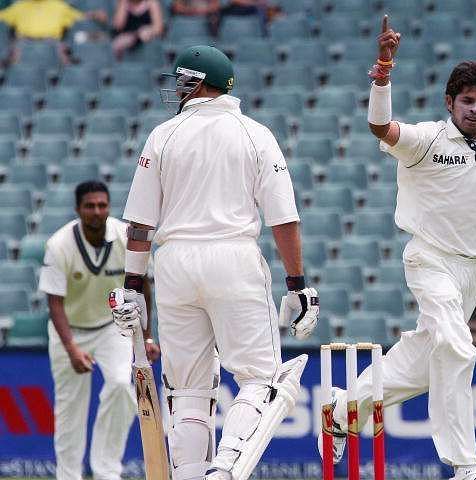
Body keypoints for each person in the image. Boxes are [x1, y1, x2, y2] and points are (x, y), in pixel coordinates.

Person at [318, 15, 476, 480]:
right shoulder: (427, 140)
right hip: (429, 259)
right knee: (457, 347)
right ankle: (466, 468)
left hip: (472, 271)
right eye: (467, 101)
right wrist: (383, 71)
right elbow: (379, 127)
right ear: (449, 101)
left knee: (423, 364)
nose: (475, 110)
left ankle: (339, 411)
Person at [108, 45, 319, 480]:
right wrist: (297, 284)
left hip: (174, 267)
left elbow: (141, 225)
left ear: (201, 82)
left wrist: (132, 285)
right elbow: (283, 218)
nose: (178, 88)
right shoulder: (255, 134)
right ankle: (224, 469)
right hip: (233, 260)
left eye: (184, 79)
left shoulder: (162, 136)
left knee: (187, 389)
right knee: (262, 380)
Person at [38, 181, 159, 480]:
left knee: (120, 385)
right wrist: (72, 349)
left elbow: (143, 286)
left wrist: (145, 337)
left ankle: (106, 472)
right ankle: (69, 476)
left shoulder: (124, 236)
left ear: (108, 207)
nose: (97, 211)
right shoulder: (59, 244)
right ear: (78, 209)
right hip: (69, 330)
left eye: (102, 205)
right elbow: (54, 302)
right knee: (70, 411)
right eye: (90, 206)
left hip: (111, 327)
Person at [0, 0, 107, 64]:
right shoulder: (20, 6)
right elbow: (2, 16)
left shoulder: (59, 6)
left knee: (64, 55)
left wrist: (95, 14)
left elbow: (80, 16)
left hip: (52, 42)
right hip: (23, 43)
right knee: (13, 55)